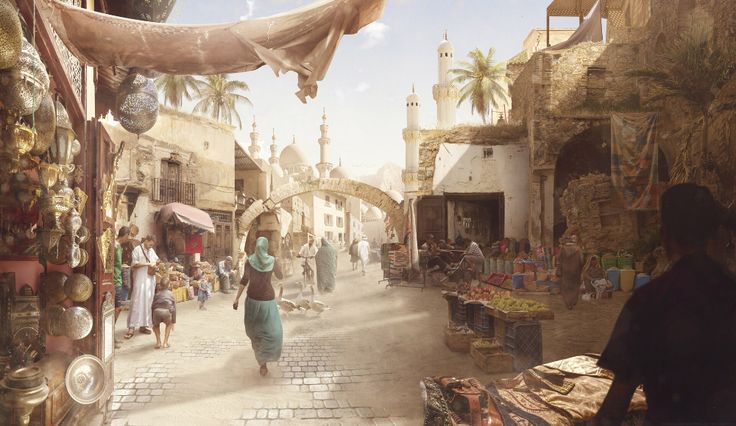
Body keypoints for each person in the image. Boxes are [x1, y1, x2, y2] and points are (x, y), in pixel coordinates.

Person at [596, 184, 736, 425]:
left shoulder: (647, 302)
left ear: (666, 237)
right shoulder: (729, 293)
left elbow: (615, 405)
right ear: (717, 235)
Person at [232, 237, 284, 377]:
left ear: (256, 247)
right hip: (267, 301)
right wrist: (278, 262)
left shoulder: (250, 261)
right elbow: (280, 276)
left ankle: (262, 364)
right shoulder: (272, 261)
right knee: (272, 332)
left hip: (253, 302)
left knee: (256, 334)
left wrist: (237, 298)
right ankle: (265, 359)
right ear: (266, 247)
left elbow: (244, 280)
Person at [125, 235, 159, 339]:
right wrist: (147, 264)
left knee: (148, 302)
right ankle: (131, 327)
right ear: (146, 241)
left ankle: (144, 325)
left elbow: (157, 260)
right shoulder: (137, 250)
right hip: (140, 279)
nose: (151, 246)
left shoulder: (151, 250)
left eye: (152, 245)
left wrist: (156, 264)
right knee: (137, 301)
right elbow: (134, 264)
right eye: (150, 244)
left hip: (149, 279)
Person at [557, 236, 584, 310]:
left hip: (565, 271)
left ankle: (568, 303)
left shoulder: (562, 249)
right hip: (576, 271)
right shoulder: (578, 249)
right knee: (574, 286)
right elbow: (581, 260)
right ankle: (573, 300)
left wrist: (559, 270)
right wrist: (580, 268)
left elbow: (559, 260)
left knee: (566, 287)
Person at [151, 278, 176, 349]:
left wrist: (152, 320)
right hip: (167, 312)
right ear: (169, 285)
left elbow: (152, 306)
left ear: (160, 285)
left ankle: (158, 342)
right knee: (169, 324)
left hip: (156, 312)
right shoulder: (171, 294)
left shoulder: (157, 294)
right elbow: (174, 309)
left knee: (156, 326)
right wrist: (173, 321)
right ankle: (165, 343)